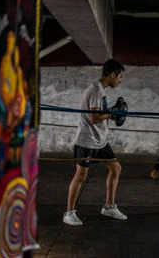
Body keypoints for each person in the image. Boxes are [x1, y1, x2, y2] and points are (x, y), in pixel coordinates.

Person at [63, 59, 128, 226]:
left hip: (99, 140)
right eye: (119, 76)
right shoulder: (95, 90)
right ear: (112, 75)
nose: (120, 80)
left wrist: (110, 111)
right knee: (80, 176)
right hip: (87, 141)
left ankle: (109, 206)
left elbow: (99, 113)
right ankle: (69, 213)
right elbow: (93, 118)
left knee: (116, 168)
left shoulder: (100, 90)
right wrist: (112, 113)